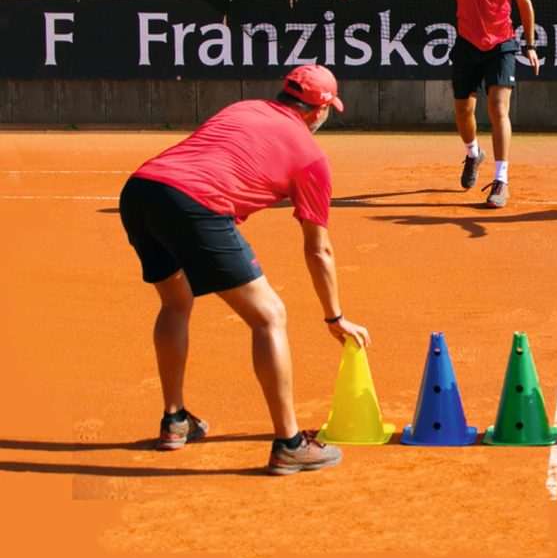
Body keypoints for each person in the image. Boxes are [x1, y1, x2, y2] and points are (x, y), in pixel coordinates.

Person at [118, 64, 370, 476]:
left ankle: (175, 421)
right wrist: (335, 317)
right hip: (194, 203)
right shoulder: (312, 157)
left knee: (175, 302)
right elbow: (318, 250)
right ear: (319, 111)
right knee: (269, 316)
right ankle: (290, 445)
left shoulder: (245, 107)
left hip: (142, 191)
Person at [441, 0, 540, 208]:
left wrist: (530, 45)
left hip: (503, 44)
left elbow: (524, 3)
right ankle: (473, 154)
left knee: (498, 108)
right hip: (468, 45)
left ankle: (501, 180)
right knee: (462, 113)